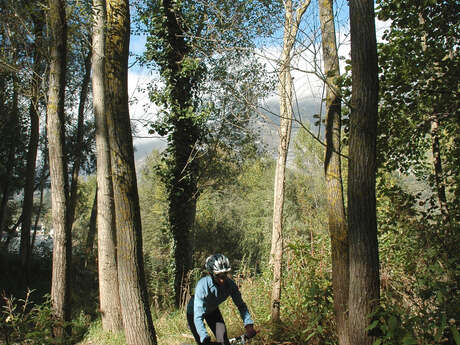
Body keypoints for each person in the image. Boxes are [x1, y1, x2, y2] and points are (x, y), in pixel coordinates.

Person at [186, 254, 257, 345]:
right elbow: (198, 316)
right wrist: (204, 337)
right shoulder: (202, 286)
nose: (222, 280)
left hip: (212, 311)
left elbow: (241, 305)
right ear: (211, 274)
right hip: (194, 313)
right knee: (203, 342)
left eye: (224, 275)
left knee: (223, 341)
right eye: (218, 276)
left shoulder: (230, 285)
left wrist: (249, 325)